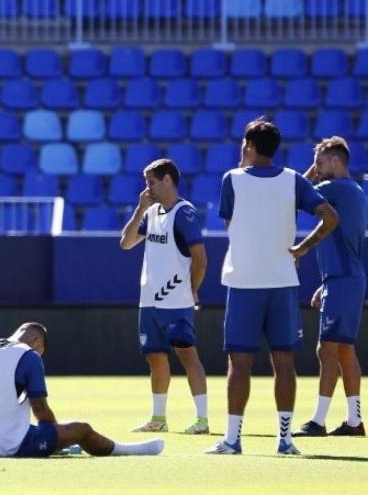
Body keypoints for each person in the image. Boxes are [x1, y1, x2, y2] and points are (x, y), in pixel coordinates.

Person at [206, 119, 338, 456]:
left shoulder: (231, 179)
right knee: (284, 362)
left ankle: (233, 440)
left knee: (239, 362)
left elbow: (232, 224)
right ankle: (284, 440)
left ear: (249, 145)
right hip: (281, 282)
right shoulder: (294, 180)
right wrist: (303, 248)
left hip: (244, 281)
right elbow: (330, 217)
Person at [0, 322, 164, 458]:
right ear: (36, 342)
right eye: (42, 352)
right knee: (81, 429)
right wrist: (55, 437)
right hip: (3, 445)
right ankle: (126, 450)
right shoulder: (29, 355)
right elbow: (40, 411)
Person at [120, 159, 210, 435]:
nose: (147, 188)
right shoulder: (152, 212)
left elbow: (201, 260)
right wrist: (139, 209)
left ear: (168, 180)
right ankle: (158, 418)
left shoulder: (185, 214)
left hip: (175, 301)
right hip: (148, 300)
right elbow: (126, 243)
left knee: (188, 356)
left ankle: (202, 420)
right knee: (155, 358)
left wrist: (191, 290)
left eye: (151, 182)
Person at [293, 137, 366, 437]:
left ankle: (318, 421)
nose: (317, 170)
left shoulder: (334, 188)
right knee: (345, 351)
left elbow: (295, 189)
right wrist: (326, 284)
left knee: (327, 349)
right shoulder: (354, 191)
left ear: (336, 162)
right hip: (343, 279)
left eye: (321, 163)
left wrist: (301, 249)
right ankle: (354, 421)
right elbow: (331, 229)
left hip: (343, 280)